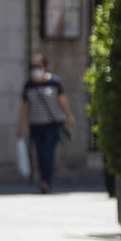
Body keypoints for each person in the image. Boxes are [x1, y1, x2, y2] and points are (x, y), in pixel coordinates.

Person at [18, 53, 76, 193]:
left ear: (46, 67)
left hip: (52, 124)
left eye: (38, 66)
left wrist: (69, 116)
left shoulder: (55, 82)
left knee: (48, 153)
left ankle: (46, 181)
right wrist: (20, 126)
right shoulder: (29, 84)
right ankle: (43, 179)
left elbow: (62, 100)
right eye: (33, 67)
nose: (35, 69)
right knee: (39, 153)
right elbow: (25, 107)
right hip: (36, 124)